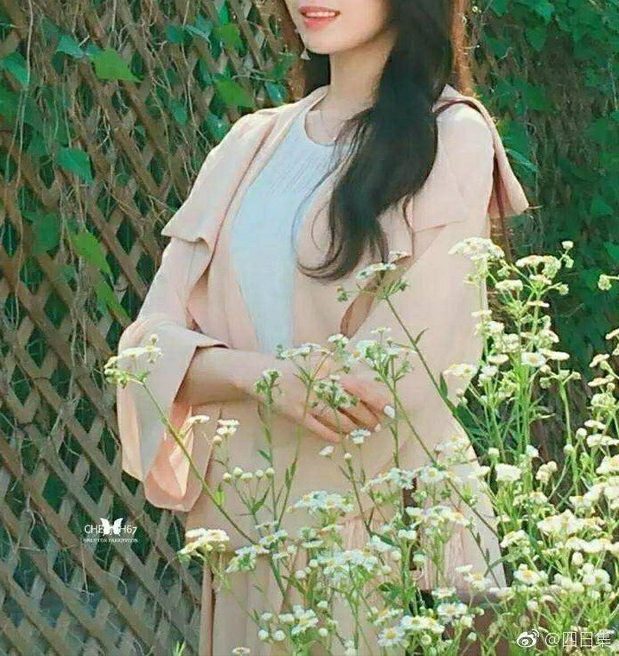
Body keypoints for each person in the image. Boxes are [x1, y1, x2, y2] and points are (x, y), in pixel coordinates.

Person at [115, 0, 530, 653]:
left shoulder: (451, 136)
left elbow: (394, 376)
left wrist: (213, 371)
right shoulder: (250, 144)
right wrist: (261, 377)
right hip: (253, 535)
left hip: (383, 536)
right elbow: (143, 353)